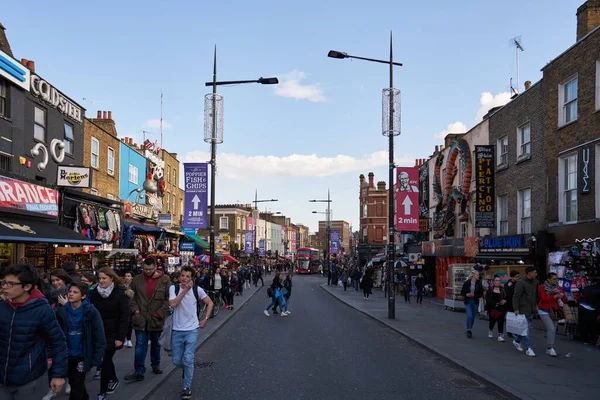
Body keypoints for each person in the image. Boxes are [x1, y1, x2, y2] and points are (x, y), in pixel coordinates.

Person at [0, 263, 68, 399]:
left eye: (10, 284)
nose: (4, 287)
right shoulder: (3, 307)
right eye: (3, 282)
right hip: (2, 378)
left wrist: (58, 374)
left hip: (30, 378)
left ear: (27, 287)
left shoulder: (42, 310)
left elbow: (58, 342)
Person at [168, 266, 213, 400]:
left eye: (188, 276)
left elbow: (210, 303)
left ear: (192, 278)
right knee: (176, 361)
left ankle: (186, 387)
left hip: (192, 329)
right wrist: (185, 290)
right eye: (182, 275)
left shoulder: (197, 290)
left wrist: (205, 319)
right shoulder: (173, 288)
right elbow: (173, 304)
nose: (184, 278)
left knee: (188, 358)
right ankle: (187, 369)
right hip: (177, 329)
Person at [55, 282, 106, 400]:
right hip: (67, 354)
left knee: (76, 387)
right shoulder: (61, 311)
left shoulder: (91, 312)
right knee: (74, 383)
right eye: (70, 292)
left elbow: (99, 336)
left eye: (75, 292)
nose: (71, 294)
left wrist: (98, 357)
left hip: (82, 355)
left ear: (83, 296)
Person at [126, 258, 171, 382]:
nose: (148, 271)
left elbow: (168, 299)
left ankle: (155, 364)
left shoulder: (165, 280)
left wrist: (159, 313)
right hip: (140, 318)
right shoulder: (137, 280)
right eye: (145, 269)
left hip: (156, 318)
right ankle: (139, 371)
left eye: (150, 269)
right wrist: (135, 310)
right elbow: (130, 296)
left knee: (156, 343)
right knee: (140, 344)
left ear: (156, 267)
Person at [89, 267, 131, 399]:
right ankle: (113, 378)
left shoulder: (119, 294)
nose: (101, 281)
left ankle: (102, 392)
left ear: (111, 278)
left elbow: (125, 317)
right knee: (103, 360)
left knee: (105, 359)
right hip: (98, 332)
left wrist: (120, 337)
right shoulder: (95, 293)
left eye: (104, 278)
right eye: (99, 278)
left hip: (113, 332)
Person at [512, 266, 539, 357]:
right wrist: (516, 308)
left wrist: (536, 306)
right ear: (529, 273)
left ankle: (517, 341)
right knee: (525, 329)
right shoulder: (520, 282)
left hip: (531, 309)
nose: (536, 274)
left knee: (525, 328)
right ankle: (528, 348)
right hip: (523, 308)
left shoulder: (535, 282)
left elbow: (536, 295)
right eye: (534, 272)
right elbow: (516, 296)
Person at [538, 272, 565, 357]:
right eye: (554, 279)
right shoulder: (542, 287)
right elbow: (543, 298)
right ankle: (551, 348)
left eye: (557, 279)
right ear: (548, 279)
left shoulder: (559, 288)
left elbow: (565, 299)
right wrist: (554, 296)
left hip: (554, 311)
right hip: (544, 310)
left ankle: (550, 347)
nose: (555, 280)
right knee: (552, 328)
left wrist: (561, 295)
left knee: (552, 330)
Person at [460, 270, 483, 339]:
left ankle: (469, 328)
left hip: (475, 301)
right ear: (473, 275)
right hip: (468, 301)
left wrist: (475, 295)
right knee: (469, 315)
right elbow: (462, 292)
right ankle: (468, 330)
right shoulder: (467, 283)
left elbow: (481, 293)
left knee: (473, 316)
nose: (478, 276)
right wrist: (466, 294)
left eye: (478, 275)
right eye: (477, 275)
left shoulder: (479, 283)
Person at [486, 276, 507, 341]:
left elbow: (506, 297)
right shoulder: (490, 290)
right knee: (492, 321)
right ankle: (490, 330)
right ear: (493, 282)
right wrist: (496, 303)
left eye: (499, 280)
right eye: (496, 280)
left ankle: (500, 334)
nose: (498, 282)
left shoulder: (503, 289)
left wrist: (504, 301)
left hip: (501, 308)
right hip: (492, 308)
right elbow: (488, 299)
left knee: (501, 321)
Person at [503, 270, 519, 338]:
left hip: (517, 303)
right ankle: (510, 331)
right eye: (516, 277)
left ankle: (515, 331)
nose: (517, 278)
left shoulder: (518, 283)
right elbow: (506, 293)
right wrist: (509, 287)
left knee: (516, 318)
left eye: (518, 276)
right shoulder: (508, 284)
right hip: (510, 303)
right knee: (511, 318)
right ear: (512, 277)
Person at [123, 271, 134, 348]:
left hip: (131, 306)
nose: (127, 277)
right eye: (126, 276)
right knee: (124, 323)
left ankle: (129, 339)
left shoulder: (134, 285)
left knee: (129, 323)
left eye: (128, 276)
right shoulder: (122, 285)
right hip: (123, 306)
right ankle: (124, 339)